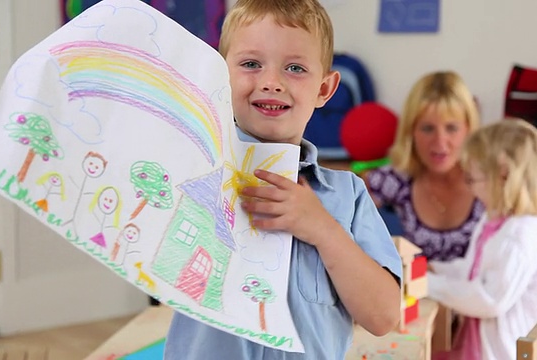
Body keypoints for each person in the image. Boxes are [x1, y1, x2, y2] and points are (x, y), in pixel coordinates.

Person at [163, 1, 403, 359]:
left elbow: (383, 317)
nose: (271, 82)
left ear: (324, 89)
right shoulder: (189, 171)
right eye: (250, 64)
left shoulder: (346, 196)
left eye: (294, 68)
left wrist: (322, 228)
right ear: (219, 74)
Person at [428, 119, 537, 359]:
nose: (470, 189)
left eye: (473, 179)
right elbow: (475, 271)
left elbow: (489, 300)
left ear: (503, 176)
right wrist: (435, 269)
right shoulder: (497, 219)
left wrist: (427, 284)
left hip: (504, 350)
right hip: (487, 337)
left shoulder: (520, 236)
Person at [367, 71, 484, 262]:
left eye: (451, 128)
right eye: (427, 129)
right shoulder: (398, 179)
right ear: (411, 131)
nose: (440, 143)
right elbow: (342, 203)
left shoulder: (493, 181)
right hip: (416, 291)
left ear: (469, 129)